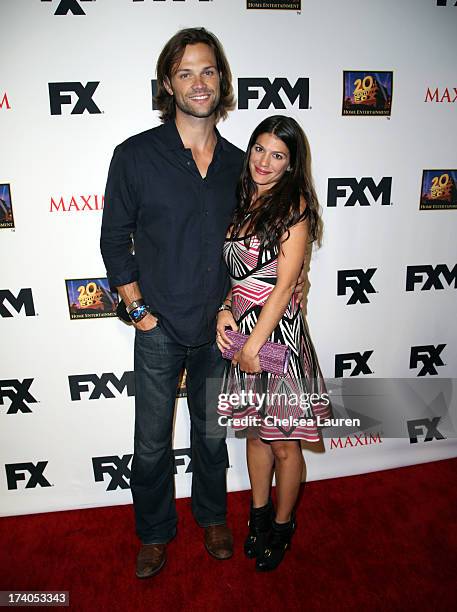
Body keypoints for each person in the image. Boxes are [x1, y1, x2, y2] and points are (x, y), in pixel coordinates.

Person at [100, 28, 305, 579]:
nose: (198, 82)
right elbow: (114, 240)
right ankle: (154, 532)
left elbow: (271, 243)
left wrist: (260, 301)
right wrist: (137, 310)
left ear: (222, 80)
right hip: (158, 327)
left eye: (208, 70)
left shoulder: (245, 166)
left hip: (223, 330)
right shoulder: (135, 155)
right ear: (169, 82)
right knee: (149, 445)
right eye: (185, 71)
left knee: (212, 438)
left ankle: (213, 517)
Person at [216, 115, 332, 571]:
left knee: (284, 442)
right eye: (259, 149)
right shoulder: (243, 199)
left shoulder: (294, 205)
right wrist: (225, 307)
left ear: (291, 163)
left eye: (277, 155)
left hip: (275, 340)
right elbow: (238, 275)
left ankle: (282, 526)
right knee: (255, 435)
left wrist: (252, 346)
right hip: (243, 331)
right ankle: (257, 516)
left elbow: (283, 287)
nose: (264, 161)